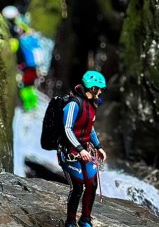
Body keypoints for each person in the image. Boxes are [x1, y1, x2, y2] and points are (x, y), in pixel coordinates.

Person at [58, 70, 107, 227]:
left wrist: (98, 146)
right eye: (99, 88)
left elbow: (90, 128)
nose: (101, 92)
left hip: (85, 150)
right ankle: (70, 220)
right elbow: (67, 129)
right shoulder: (73, 104)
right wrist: (80, 149)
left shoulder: (92, 104)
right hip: (69, 151)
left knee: (92, 184)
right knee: (77, 187)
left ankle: (85, 218)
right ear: (92, 89)